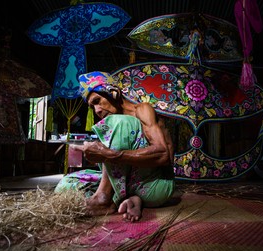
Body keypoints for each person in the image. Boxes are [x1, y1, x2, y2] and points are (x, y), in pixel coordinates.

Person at [55, 71, 175, 222]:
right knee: (66, 185)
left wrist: (109, 154)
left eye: (98, 101)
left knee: (120, 122)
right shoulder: (111, 125)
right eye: (92, 106)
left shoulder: (142, 110)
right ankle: (131, 199)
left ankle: (104, 200)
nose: (97, 110)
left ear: (114, 93)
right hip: (131, 184)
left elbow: (163, 155)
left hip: (155, 185)